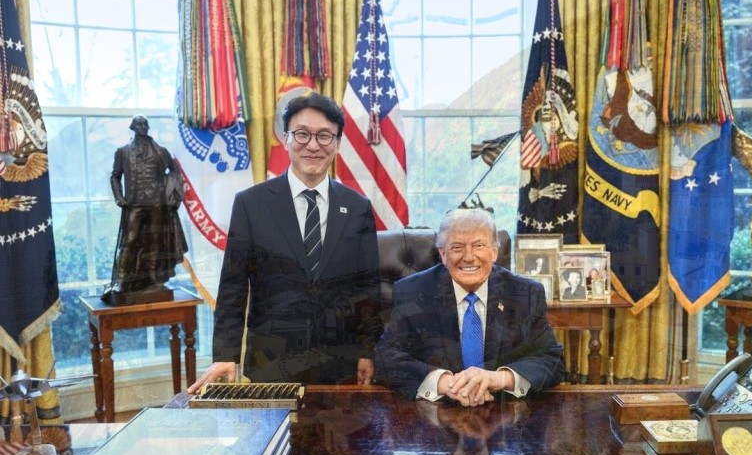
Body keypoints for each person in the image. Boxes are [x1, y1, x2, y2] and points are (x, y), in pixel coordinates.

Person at [188, 92, 380, 392]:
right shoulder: (251, 204)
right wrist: (226, 355)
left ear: (338, 143)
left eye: (325, 136)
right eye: (302, 134)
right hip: (271, 360)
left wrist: (368, 351)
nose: (313, 145)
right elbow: (233, 287)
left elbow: (368, 289)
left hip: (340, 363)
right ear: (286, 138)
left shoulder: (358, 207)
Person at [374, 208, 565, 406]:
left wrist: (499, 379)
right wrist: (444, 383)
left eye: (478, 246)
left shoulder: (525, 293)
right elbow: (386, 358)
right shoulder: (413, 291)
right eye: (457, 247)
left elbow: (552, 360)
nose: (469, 257)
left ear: (494, 251)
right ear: (443, 254)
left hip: (504, 410)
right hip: (436, 410)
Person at [102, 115, 187, 304]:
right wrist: (119, 197)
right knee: (130, 240)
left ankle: (154, 279)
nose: (142, 127)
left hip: (157, 203)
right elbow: (115, 176)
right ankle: (122, 280)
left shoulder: (161, 151)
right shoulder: (123, 152)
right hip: (134, 203)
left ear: (148, 127)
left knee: (155, 241)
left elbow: (175, 171)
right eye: (138, 124)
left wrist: (170, 190)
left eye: (145, 124)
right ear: (132, 127)